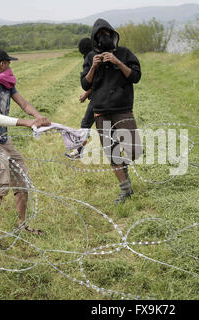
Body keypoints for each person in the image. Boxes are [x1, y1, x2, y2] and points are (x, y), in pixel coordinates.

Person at [0, 48, 51, 248]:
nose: (10, 66)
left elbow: (23, 103)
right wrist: (27, 123)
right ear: (2, 64)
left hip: (2, 139)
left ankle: (21, 225)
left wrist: (38, 118)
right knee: (0, 180)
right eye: (9, 62)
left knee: (22, 178)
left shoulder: (5, 83)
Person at [81, 19, 143, 204]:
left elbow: (136, 76)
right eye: (99, 35)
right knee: (112, 152)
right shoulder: (91, 57)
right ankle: (125, 190)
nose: (103, 38)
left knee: (135, 150)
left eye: (106, 34)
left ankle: (123, 169)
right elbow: (85, 83)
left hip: (122, 109)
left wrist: (117, 61)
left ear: (113, 35)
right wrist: (93, 65)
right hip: (100, 111)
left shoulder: (124, 53)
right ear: (94, 38)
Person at [66, 37, 94, 159]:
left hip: (99, 99)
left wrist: (86, 93)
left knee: (86, 124)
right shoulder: (97, 55)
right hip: (110, 97)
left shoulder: (90, 57)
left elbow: (98, 81)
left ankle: (79, 151)